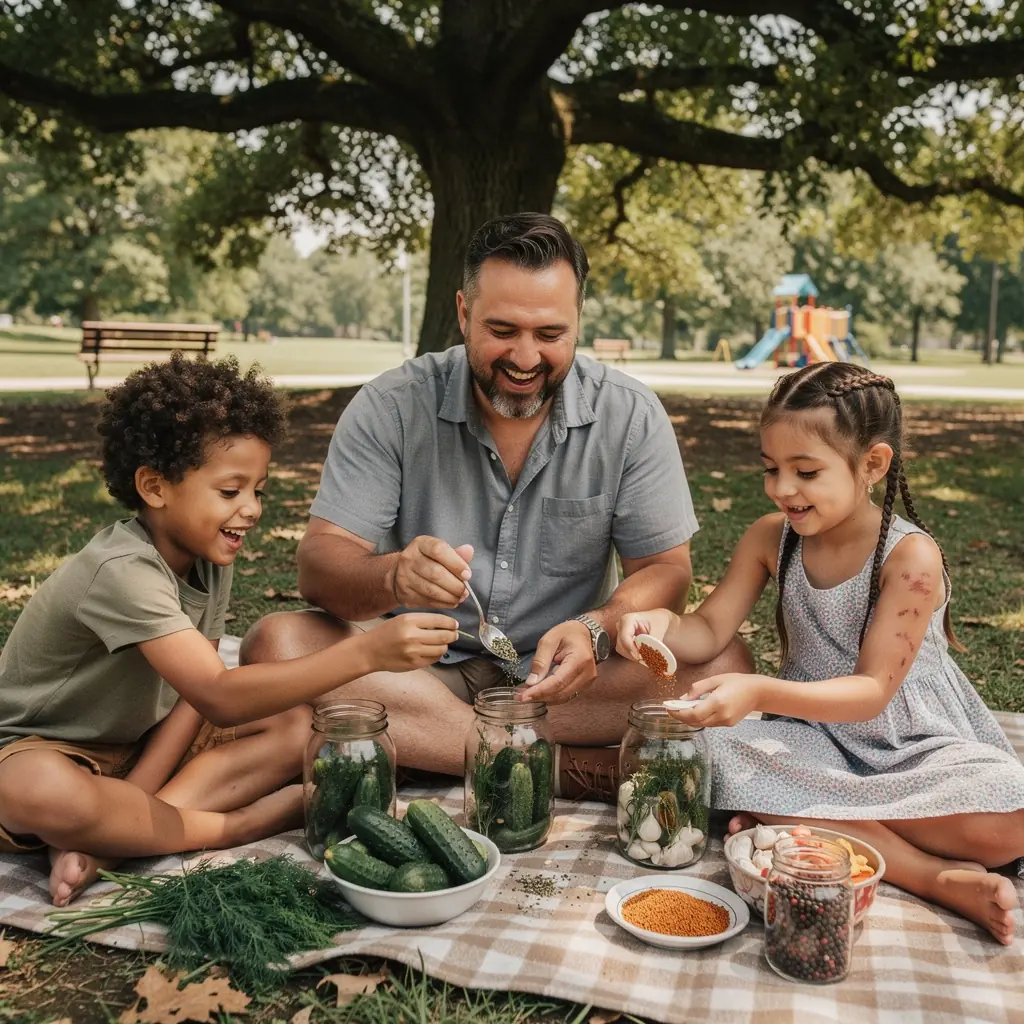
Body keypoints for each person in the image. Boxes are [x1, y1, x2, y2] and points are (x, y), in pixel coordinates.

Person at [241, 212, 751, 800]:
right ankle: (553, 769)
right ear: (462, 313)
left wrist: (599, 628)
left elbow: (666, 571)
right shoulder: (390, 406)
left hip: (564, 680)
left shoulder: (631, 415)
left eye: (550, 334)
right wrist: (393, 575)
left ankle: (432, 750)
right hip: (413, 673)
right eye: (502, 330)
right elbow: (319, 568)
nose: (526, 358)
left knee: (725, 663)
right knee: (276, 645)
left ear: (578, 320)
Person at [0, 354, 457, 906]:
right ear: (154, 486)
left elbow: (195, 700)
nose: (252, 509)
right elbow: (220, 696)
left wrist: (133, 797)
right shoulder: (121, 572)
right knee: (37, 792)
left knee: (296, 727)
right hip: (43, 749)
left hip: (142, 741)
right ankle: (227, 826)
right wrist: (370, 653)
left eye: (258, 490)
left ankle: (111, 841)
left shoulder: (211, 554)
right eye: (230, 491)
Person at [617, 361, 1024, 943]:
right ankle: (932, 876)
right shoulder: (769, 538)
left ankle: (795, 816)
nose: (783, 488)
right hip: (811, 739)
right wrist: (658, 623)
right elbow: (707, 628)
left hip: (913, 744)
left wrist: (757, 692)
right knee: (713, 754)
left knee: (1013, 823)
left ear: (872, 466)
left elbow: (872, 691)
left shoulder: (911, 559)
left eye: (805, 471)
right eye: (772, 469)